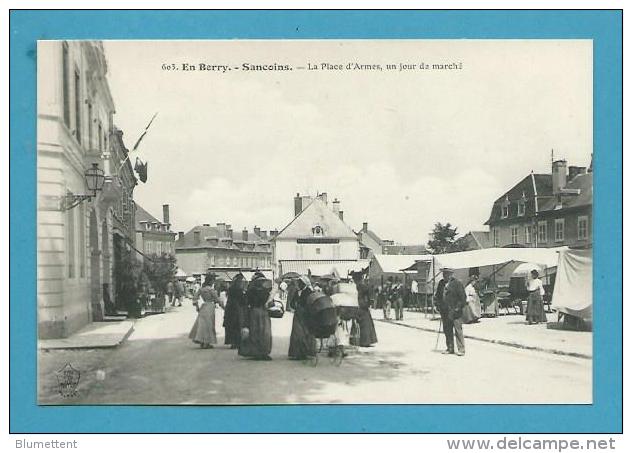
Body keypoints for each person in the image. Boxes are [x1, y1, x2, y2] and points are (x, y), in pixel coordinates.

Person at [239, 272, 273, 360]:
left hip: (253, 312)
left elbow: (245, 302)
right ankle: (264, 352)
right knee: (265, 333)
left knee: (255, 332)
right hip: (263, 313)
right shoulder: (265, 292)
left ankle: (256, 352)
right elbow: (270, 303)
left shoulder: (250, 291)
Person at [436, 268, 467, 356]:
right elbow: (437, 296)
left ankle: (461, 349)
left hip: (455, 312)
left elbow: (463, 298)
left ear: (451, 274)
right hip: (445, 312)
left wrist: (458, 308)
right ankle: (450, 348)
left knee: (458, 330)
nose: (445, 275)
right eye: (444, 273)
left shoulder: (457, 283)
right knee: (447, 330)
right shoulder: (441, 283)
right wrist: (438, 305)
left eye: (447, 274)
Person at [188, 273, 223, 349]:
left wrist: (197, 306)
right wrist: (223, 307)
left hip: (203, 306)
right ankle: (206, 342)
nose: (213, 282)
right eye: (213, 280)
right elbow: (217, 300)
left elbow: (194, 298)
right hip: (210, 307)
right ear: (210, 281)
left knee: (202, 325)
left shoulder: (201, 289)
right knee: (209, 325)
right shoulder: (211, 290)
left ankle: (202, 341)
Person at [288, 275, 317, 360]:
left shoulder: (309, 292)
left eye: (300, 283)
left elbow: (311, 304)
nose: (299, 284)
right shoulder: (297, 292)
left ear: (304, 283)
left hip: (306, 316)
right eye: (298, 283)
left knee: (306, 334)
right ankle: (297, 353)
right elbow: (292, 303)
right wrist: (295, 305)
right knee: (297, 333)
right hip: (298, 315)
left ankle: (306, 352)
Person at [352, 272, 378, 347]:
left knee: (356, 323)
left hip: (355, 304)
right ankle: (365, 341)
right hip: (362, 305)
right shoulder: (362, 286)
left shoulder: (354, 286)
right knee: (366, 323)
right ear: (361, 278)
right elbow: (369, 291)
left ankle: (354, 340)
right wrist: (369, 302)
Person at [224, 274, 247, 349]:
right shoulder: (239, 290)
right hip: (237, 309)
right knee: (237, 325)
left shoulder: (230, 288)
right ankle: (237, 342)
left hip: (230, 308)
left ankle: (232, 342)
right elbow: (243, 300)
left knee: (230, 325)